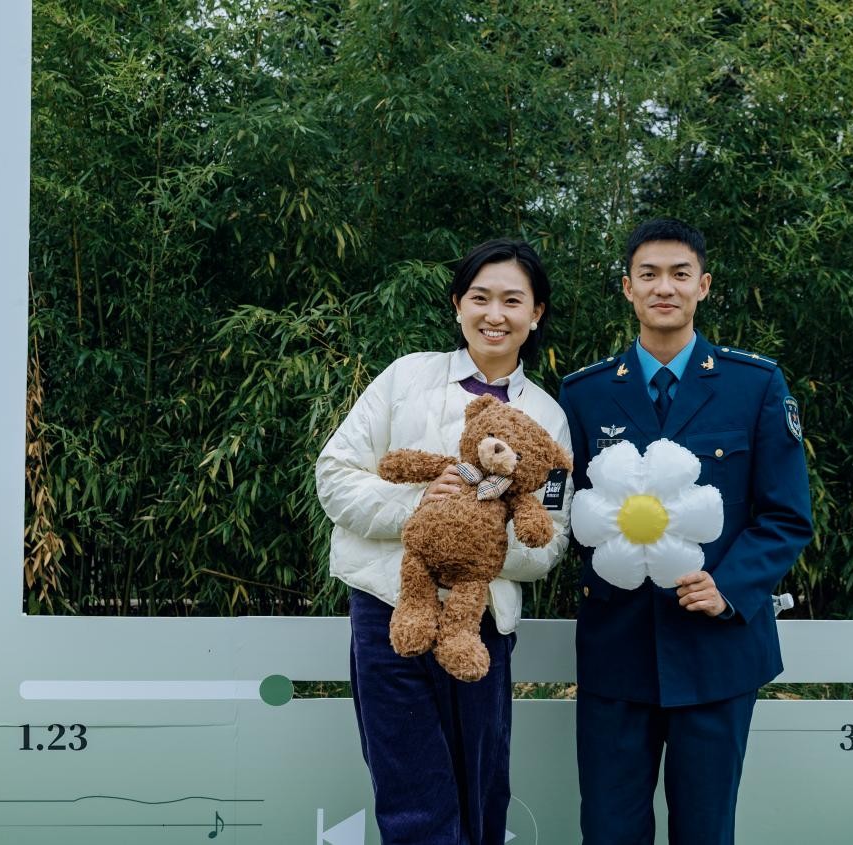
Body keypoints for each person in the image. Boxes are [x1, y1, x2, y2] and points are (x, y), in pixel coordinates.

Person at [557, 218, 813, 844]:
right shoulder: (585, 394)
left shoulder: (754, 385)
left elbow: (785, 515)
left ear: (704, 285)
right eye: (648, 275)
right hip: (617, 648)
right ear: (628, 288)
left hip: (717, 650)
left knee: (705, 831)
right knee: (609, 831)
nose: (664, 287)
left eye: (679, 274)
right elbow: (564, 514)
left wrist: (729, 587)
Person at [315, 239, 573, 845]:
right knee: (410, 792)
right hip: (388, 608)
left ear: (536, 313)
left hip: (481, 621)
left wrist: (477, 539)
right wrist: (420, 512)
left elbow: (550, 540)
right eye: (480, 298)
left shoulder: (549, 418)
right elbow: (335, 476)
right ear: (458, 305)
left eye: (512, 301)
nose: (494, 315)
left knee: (480, 791)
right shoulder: (406, 376)